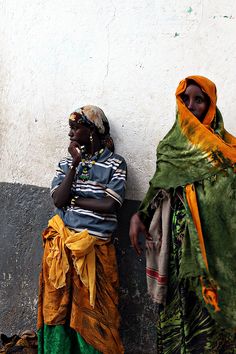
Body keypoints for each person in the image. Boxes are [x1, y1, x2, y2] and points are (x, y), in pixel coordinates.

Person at [129, 76, 236, 353]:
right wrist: (138, 216)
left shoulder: (228, 152)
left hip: (216, 255)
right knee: (178, 312)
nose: (191, 105)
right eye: (185, 99)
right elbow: (158, 188)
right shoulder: (169, 148)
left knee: (210, 322)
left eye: (198, 99)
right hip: (176, 252)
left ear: (210, 104)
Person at [37, 105, 127, 354]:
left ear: (93, 132)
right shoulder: (66, 163)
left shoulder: (115, 164)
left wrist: (75, 201)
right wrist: (75, 165)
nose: (71, 135)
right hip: (63, 250)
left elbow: (110, 204)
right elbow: (58, 199)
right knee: (59, 313)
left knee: (97, 318)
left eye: (77, 128)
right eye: (70, 129)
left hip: (95, 251)